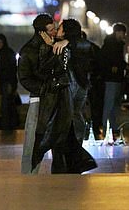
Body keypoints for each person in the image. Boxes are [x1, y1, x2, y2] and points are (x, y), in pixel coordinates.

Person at [31, 19, 97, 174]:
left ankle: (65, 166)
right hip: (79, 94)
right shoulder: (78, 47)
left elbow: (45, 67)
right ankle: (73, 163)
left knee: (61, 130)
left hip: (67, 96)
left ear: (66, 31)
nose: (56, 31)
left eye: (59, 28)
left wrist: (55, 45)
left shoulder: (64, 47)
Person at [18, 14, 56, 174]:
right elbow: (25, 78)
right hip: (39, 99)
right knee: (32, 141)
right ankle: (28, 175)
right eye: (51, 29)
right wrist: (44, 89)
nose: (54, 32)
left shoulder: (55, 47)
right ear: (42, 32)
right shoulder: (29, 51)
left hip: (55, 98)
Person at [100, 23, 128, 138]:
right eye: (123, 33)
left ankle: (111, 126)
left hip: (113, 77)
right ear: (118, 32)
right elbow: (113, 60)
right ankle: (108, 127)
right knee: (110, 103)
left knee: (112, 103)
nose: (123, 35)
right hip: (112, 78)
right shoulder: (113, 45)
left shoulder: (112, 44)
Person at [0, 34, 19, 130]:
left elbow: (8, 70)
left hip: (7, 83)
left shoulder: (4, 54)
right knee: (9, 105)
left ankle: (7, 126)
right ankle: (10, 125)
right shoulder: (7, 52)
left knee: (6, 106)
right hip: (8, 83)